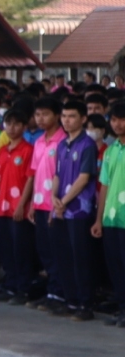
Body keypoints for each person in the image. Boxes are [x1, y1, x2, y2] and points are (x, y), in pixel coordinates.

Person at [51, 99, 98, 319]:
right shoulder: (62, 144)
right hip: (60, 209)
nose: (66, 121)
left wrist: (66, 200)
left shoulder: (88, 145)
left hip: (79, 210)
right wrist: (53, 197)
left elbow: (84, 178)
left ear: (83, 118)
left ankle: (85, 303)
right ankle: (70, 300)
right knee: (64, 256)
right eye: (64, 116)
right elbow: (58, 174)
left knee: (80, 257)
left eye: (71, 116)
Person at [0, 98, 37, 304]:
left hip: (19, 207)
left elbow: (30, 179)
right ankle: (10, 284)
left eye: (17, 124)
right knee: (5, 248)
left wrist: (21, 205)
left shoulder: (28, 150)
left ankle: (23, 287)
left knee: (21, 249)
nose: (12, 128)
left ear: (25, 126)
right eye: (8, 124)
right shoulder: (2, 150)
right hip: (1, 206)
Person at [27, 97, 65, 310]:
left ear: (57, 115)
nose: (40, 119)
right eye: (38, 114)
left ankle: (59, 293)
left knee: (56, 250)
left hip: (55, 204)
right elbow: (34, 174)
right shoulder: (39, 140)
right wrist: (32, 202)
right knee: (44, 251)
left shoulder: (62, 141)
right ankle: (51, 291)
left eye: (45, 114)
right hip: (39, 203)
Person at [97, 101, 125, 326]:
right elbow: (104, 185)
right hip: (111, 217)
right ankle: (121, 306)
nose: (117, 124)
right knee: (115, 263)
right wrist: (99, 218)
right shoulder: (110, 150)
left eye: (122, 119)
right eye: (114, 120)